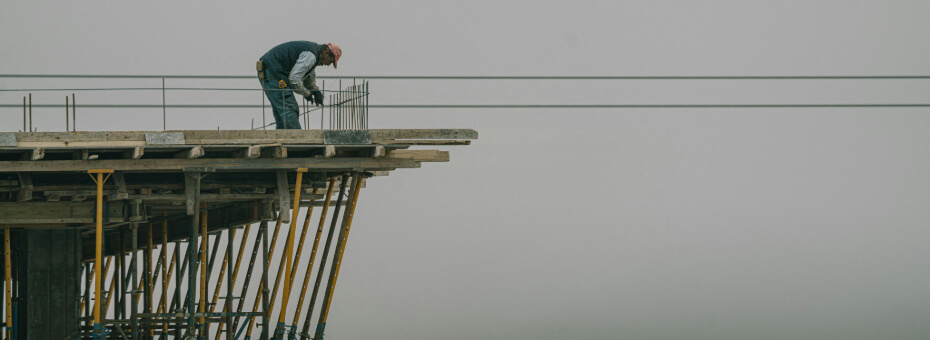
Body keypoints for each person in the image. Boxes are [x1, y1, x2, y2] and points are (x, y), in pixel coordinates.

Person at [257, 41, 342, 129]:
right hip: (272, 73)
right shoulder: (311, 56)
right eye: (330, 61)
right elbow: (294, 80)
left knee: (282, 112)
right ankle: (295, 139)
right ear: (326, 53)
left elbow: (309, 78)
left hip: (271, 71)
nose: (328, 65)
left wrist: (315, 91)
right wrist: (307, 94)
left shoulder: (314, 56)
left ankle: (283, 139)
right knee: (289, 108)